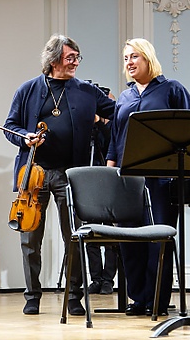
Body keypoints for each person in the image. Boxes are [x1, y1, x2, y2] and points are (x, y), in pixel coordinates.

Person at [3, 34, 115, 316]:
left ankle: (74, 296)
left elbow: (118, 113)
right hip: (34, 175)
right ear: (54, 61)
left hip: (70, 175)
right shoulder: (28, 89)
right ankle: (32, 296)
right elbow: (10, 126)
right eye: (70, 58)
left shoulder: (87, 91)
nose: (76, 63)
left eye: (77, 57)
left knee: (74, 237)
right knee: (30, 239)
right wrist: (24, 137)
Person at [106, 38, 190, 316]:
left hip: (160, 180)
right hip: (127, 179)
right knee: (129, 240)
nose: (129, 62)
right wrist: (110, 170)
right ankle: (138, 299)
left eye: (134, 56)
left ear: (148, 58)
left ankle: (157, 300)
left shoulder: (171, 89)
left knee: (158, 241)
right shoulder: (125, 97)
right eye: (126, 58)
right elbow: (115, 139)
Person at [86, 111, 118, 295]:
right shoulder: (85, 128)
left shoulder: (112, 126)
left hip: (109, 184)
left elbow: (110, 145)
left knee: (111, 235)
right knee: (91, 234)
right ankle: (96, 279)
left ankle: (108, 280)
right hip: (89, 185)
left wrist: (99, 122)